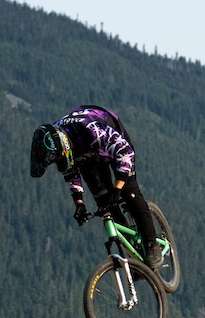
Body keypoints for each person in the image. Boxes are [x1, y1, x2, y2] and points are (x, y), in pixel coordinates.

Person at [29, 106, 162, 270]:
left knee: (130, 193)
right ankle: (135, 256)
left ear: (64, 147)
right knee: (105, 204)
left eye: (57, 159)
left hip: (113, 144)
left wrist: (118, 187)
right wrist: (79, 203)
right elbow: (71, 172)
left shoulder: (93, 132)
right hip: (87, 154)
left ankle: (151, 244)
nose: (58, 163)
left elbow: (126, 152)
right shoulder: (56, 141)